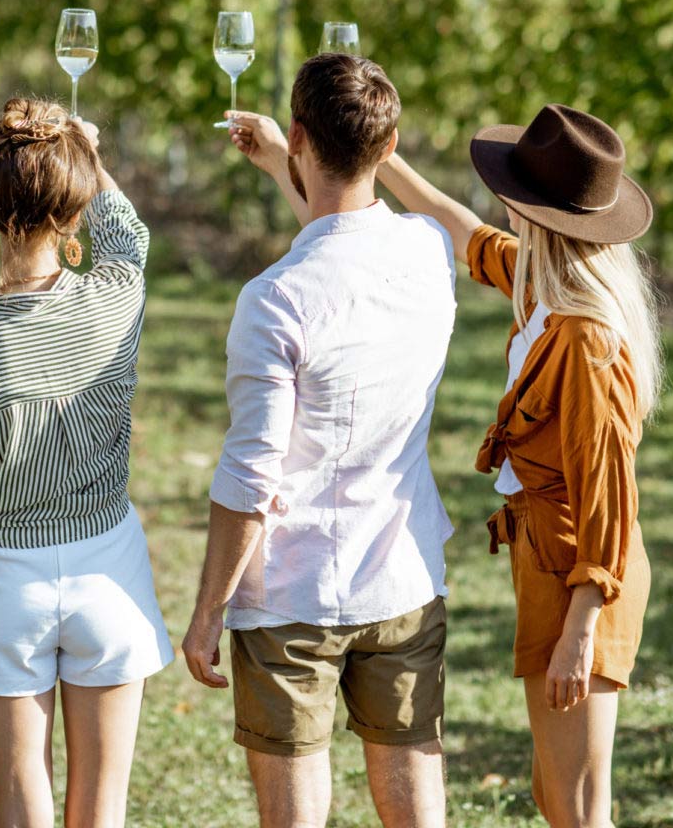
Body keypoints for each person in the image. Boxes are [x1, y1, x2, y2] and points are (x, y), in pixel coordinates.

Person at [182, 53, 456, 828]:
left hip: (291, 596)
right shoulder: (430, 249)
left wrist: (208, 611)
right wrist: (285, 165)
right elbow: (350, 243)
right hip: (402, 576)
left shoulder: (274, 299)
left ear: (300, 133)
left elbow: (251, 476)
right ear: (389, 144)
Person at [375, 103, 659, 827]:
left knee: (578, 806)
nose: (500, 205)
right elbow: (462, 232)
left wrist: (581, 628)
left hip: (582, 574)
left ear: (537, 215)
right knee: (556, 795)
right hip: (547, 558)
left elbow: (609, 495)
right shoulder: (543, 286)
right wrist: (383, 158)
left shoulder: (587, 340)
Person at [0, 96, 173, 828]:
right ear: (75, 212)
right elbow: (130, 235)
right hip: (110, 572)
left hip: (6, 585)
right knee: (103, 807)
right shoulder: (117, 298)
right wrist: (89, 153)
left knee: (20, 799)